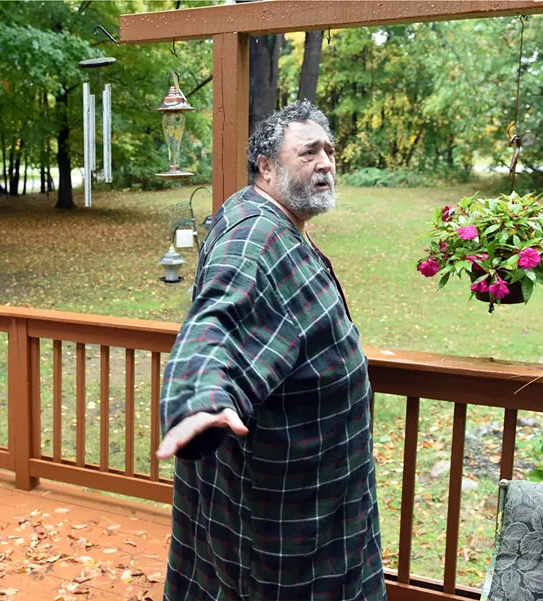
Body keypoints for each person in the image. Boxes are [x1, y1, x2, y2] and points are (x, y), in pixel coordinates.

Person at [156, 99, 386, 601]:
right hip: (286, 511)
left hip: (323, 492)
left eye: (329, 150)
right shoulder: (255, 237)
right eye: (308, 153)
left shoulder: (274, 224)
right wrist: (200, 397)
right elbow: (218, 317)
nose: (325, 162)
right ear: (265, 165)